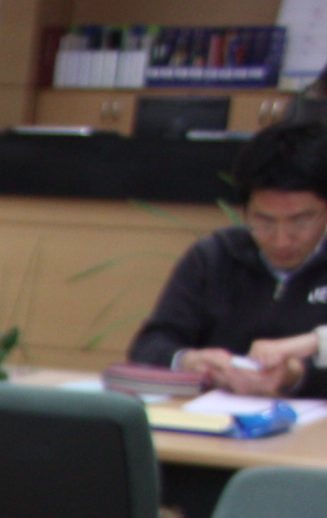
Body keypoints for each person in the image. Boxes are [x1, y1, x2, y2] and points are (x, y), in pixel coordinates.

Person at [127, 117, 327, 398]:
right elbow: (149, 346)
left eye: (301, 222)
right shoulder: (215, 256)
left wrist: (295, 376)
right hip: (212, 417)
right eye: (264, 221)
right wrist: (187, 361)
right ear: (243, 210)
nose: (281, 240)